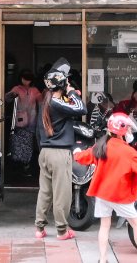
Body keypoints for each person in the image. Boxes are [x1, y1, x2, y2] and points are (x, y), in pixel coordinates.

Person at [74, 113, 137, 263]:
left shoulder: (101, 145)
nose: (129, 131)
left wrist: (76, 154)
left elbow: (84, 157)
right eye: (128, 128)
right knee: (136, 223)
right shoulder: (128, 152)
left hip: (102, 194)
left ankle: (102, 259)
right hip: (120, 195)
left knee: (105, 225)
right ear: (121, 130)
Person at [34, 57, 87, 240]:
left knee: (45, 192)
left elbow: (37, 132)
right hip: (59, 153)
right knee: (61, 194)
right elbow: (81, 109)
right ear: (63, 83)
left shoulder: (46, 102)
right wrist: (73, 93)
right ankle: (62, 231)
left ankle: (39, 228)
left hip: (45, 153)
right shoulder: (58, 103)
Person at [7, 69, 43, 171]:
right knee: (17, 145)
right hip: (19, 122)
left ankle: (26, 166)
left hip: (32, 122)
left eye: (28, 79)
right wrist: (11, 95)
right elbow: (7, 99)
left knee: (29, 145)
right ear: (21, 78)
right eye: (24, 79)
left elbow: (42, 103)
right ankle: (18, 166)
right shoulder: (16, 89)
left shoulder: (35, 90)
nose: (26, 81)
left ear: (31, 80)